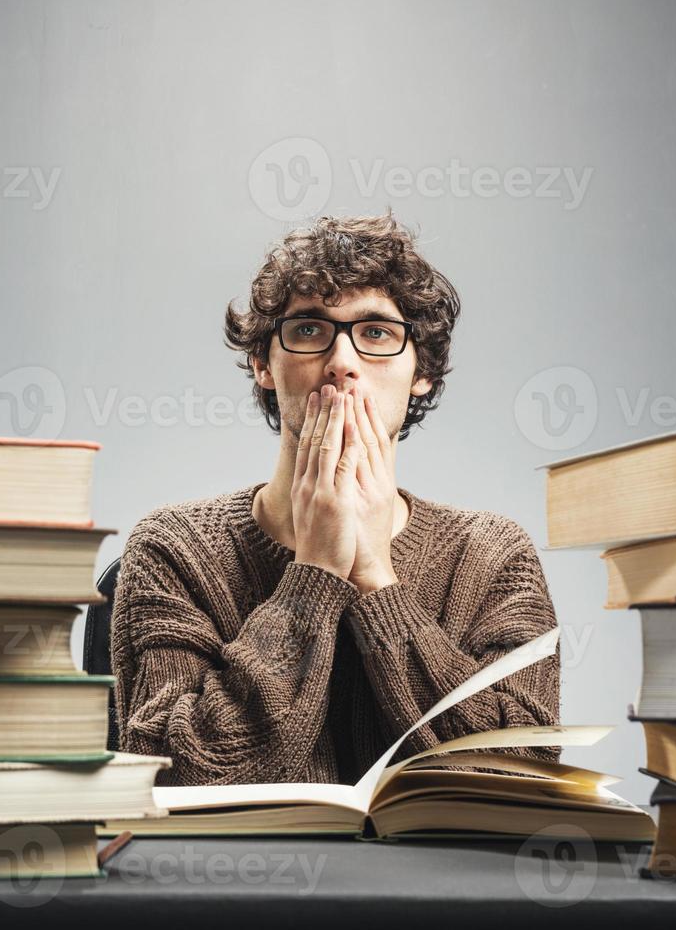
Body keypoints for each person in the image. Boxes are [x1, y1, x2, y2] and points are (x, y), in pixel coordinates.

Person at [109, 211, 561, 785]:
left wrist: (376, 577)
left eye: (376, 333)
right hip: (243, 876)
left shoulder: (496, 554)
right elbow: (171, 777)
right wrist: (316, 572)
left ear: (421, 370)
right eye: (308, 330)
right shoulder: (173, 549)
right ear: (262, 365)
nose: (342, 363)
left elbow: (523, 777)